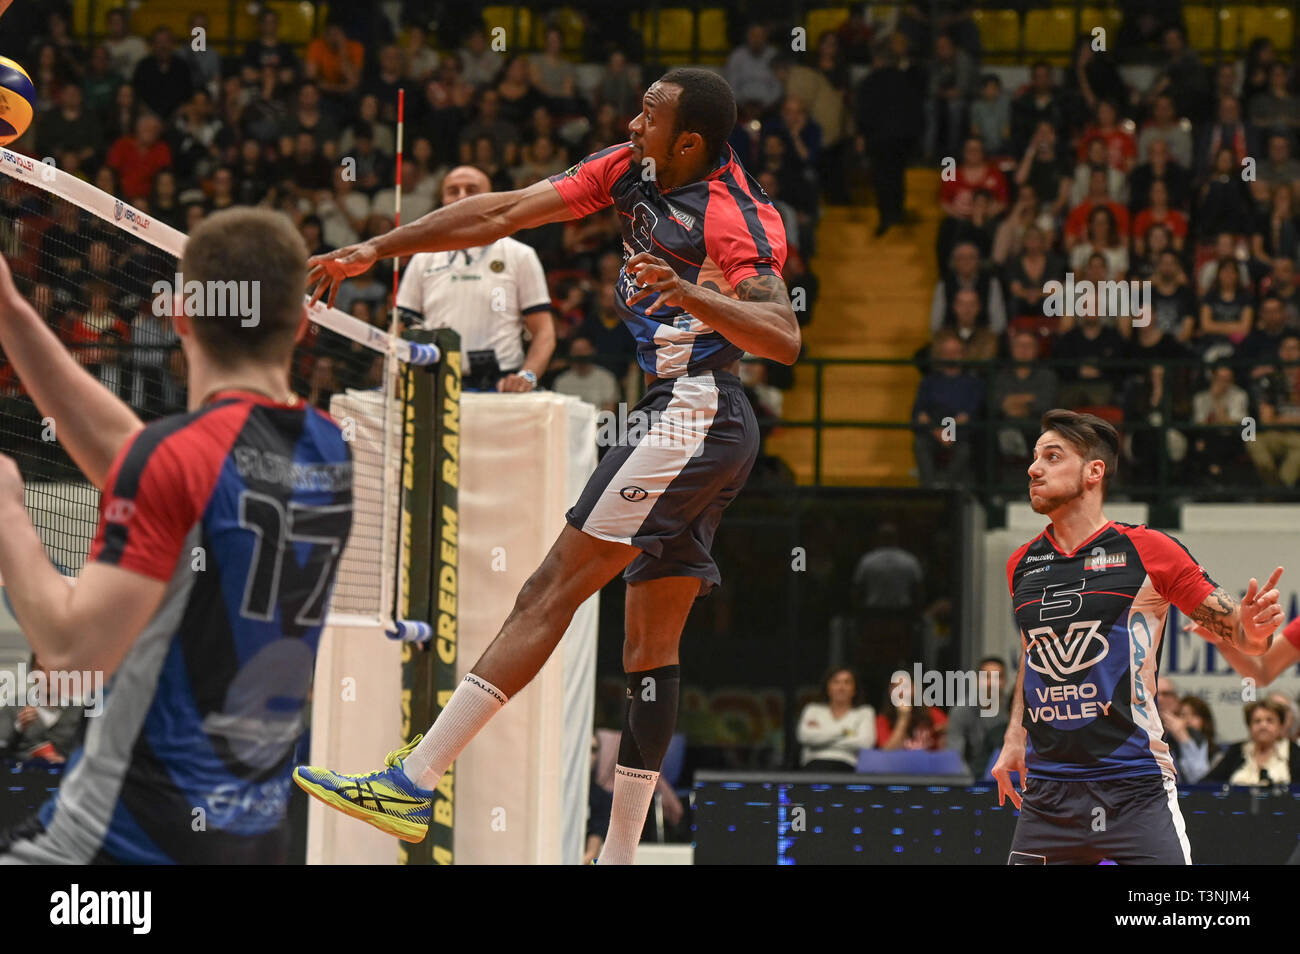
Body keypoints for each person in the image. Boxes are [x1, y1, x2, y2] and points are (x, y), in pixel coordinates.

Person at [296, 69, 799, 865]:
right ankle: (622, 857)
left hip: (695, 414)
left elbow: (782, 336)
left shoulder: (737, 215)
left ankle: (414, 782)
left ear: (691, 141)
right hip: (695, 420)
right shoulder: (630, 172)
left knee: (547, 590)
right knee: (648, 644)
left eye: (649, 116)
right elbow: (499, 212)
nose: (633, 124)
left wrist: (691, 296)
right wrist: (377, 248)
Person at [0, 208, 353, 864]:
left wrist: (9, 514)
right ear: (303, 324)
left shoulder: (179, 458)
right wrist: (11, 314)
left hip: (118, 845)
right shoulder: (331, 452)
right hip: (253, 841)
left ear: (181, 317)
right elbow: (159, 469)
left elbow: (73, 656)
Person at [993, 409, 1283, 864]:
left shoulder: (1149, 551)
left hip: (1134, 786)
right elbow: (1032, 655)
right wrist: (1014, 737)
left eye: (1052, 456)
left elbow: (1245, 639)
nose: (1033, 469)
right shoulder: (1021, 564)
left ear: (1094, 471)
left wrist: (1256, 630)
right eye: (1034, 458)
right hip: (1049, 793)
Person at [394, 165, 555, 392]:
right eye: (453, 191)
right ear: (442, 200)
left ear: (490, 198)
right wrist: (399, 370)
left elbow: (543, 331)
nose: (462, 197)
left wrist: (527, 375)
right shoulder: (423, 258)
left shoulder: (520, 255)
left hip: (499, 385)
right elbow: (400, 327)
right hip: (434, 383)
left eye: (471, 190)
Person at [1203, 700, 1300, 786]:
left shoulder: (1294, 753)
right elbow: (1206, 784)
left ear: (1280, 726)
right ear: (1249, 726)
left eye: (1270, 721)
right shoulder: (1236, 751)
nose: (1263, 726)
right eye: (1257, 721)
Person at [797, 667, 876, 771]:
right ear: (828, 687)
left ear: (855, 689)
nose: (841, 687)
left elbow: (865, 743)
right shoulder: (812, 709)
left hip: (846, 767)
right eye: (836, 682)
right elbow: (804, 737)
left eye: (847, 682)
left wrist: (819, 740)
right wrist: (845, 732)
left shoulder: (864, 712)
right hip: (813, 766)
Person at [946, 656, 1010, 776]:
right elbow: (955, 755)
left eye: (998, 677)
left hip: (1009, 775)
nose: (992, 683)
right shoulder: (962, 711)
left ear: (1005, 680)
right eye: (986, 677)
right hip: (972, 777)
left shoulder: (1013, 710)